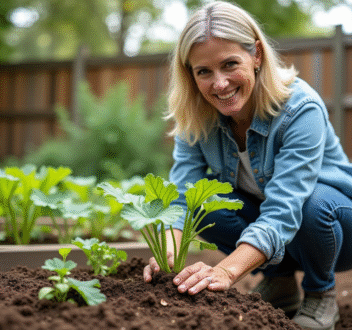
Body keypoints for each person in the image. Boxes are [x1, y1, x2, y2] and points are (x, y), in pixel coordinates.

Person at [143, 2, 352, 329]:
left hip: (335, 230)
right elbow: (184, 195)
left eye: (229, 64)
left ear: (256, 54)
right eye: (204, 72)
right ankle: (280, 282)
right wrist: (168, 249)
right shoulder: (195, 118)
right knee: (204, 203)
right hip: (281, 235)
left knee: (314, 204)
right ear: (190, 74)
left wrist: (226, 270)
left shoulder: (299, 109)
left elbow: (285, 207)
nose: (220, 84)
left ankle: (320, 292)